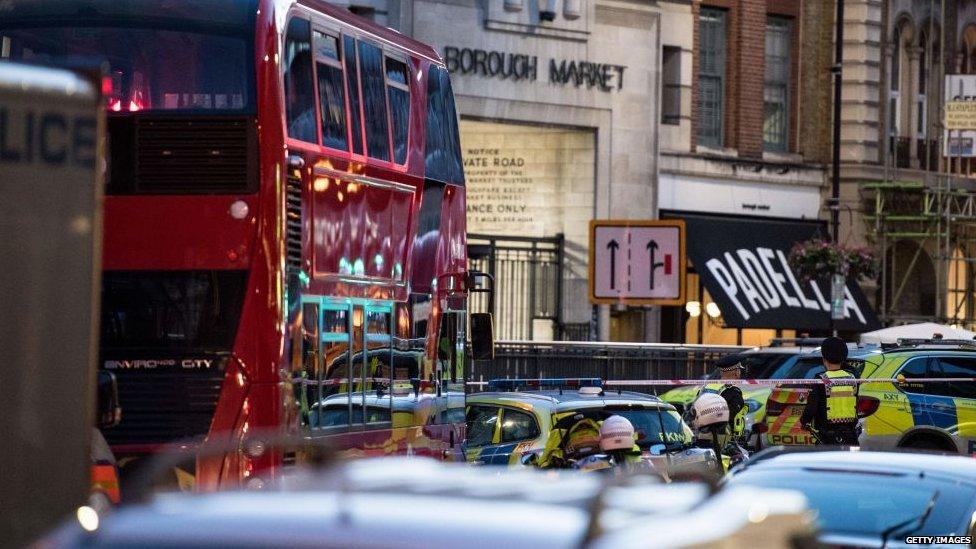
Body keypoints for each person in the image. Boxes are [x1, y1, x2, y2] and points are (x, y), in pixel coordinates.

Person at [800, 336, 858, 445]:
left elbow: (811, 407)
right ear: (843, 357)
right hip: (850, 436)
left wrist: (804, 421)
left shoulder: (821, 380)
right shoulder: (853, 378)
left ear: (824, 358)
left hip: (826, 437)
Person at [695, 354, 746, 446]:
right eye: (739, 370)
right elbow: (731, 414)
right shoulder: (733, 391)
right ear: (736, 372)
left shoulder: (706, 387)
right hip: (722, 438)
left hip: (701, 435)